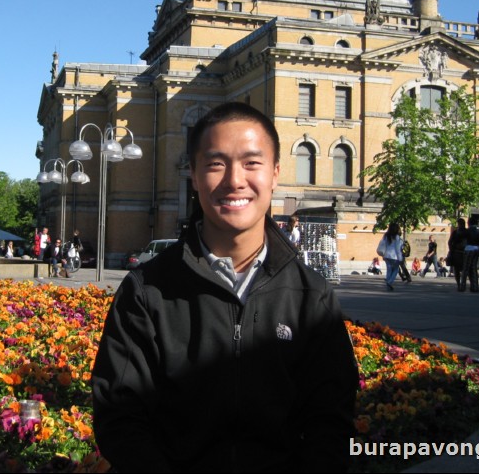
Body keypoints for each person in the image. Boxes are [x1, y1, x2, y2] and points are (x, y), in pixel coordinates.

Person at [91, 102, 358, 472]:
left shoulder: (310, 296)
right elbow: (120, 417)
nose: (235, 180)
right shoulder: (148, 291)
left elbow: (331, 422)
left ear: (276, 173)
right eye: (216, 164)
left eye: (252, 163)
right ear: (194, 175)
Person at [377, 222, 404, 291]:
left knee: (389, 270)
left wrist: (383, 254)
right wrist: (400, 258)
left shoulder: (386, 235)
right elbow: (398, 248)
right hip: (394, 256)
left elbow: (383, 244)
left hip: (386, 255)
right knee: (395, 270)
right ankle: (390, 282)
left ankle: (388, 283)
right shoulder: (397, 237)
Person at [461, 215, 479, 293]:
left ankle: (462, 286)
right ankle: (474, 286)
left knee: (466, 268)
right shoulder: (478, 232)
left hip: (468, 249)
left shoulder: (467, 231)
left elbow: (464, 240)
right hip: (476, 250)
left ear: (469, 223)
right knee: (473, 268)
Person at [448, 218, 469, 290]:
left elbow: (450, 242)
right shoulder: (466, 232)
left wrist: (451, 250)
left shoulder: (456, 232)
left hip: (457, 253)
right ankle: (462, 284)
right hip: (464, 253)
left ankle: (459, 285)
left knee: (457, 270)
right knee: (463, 269)